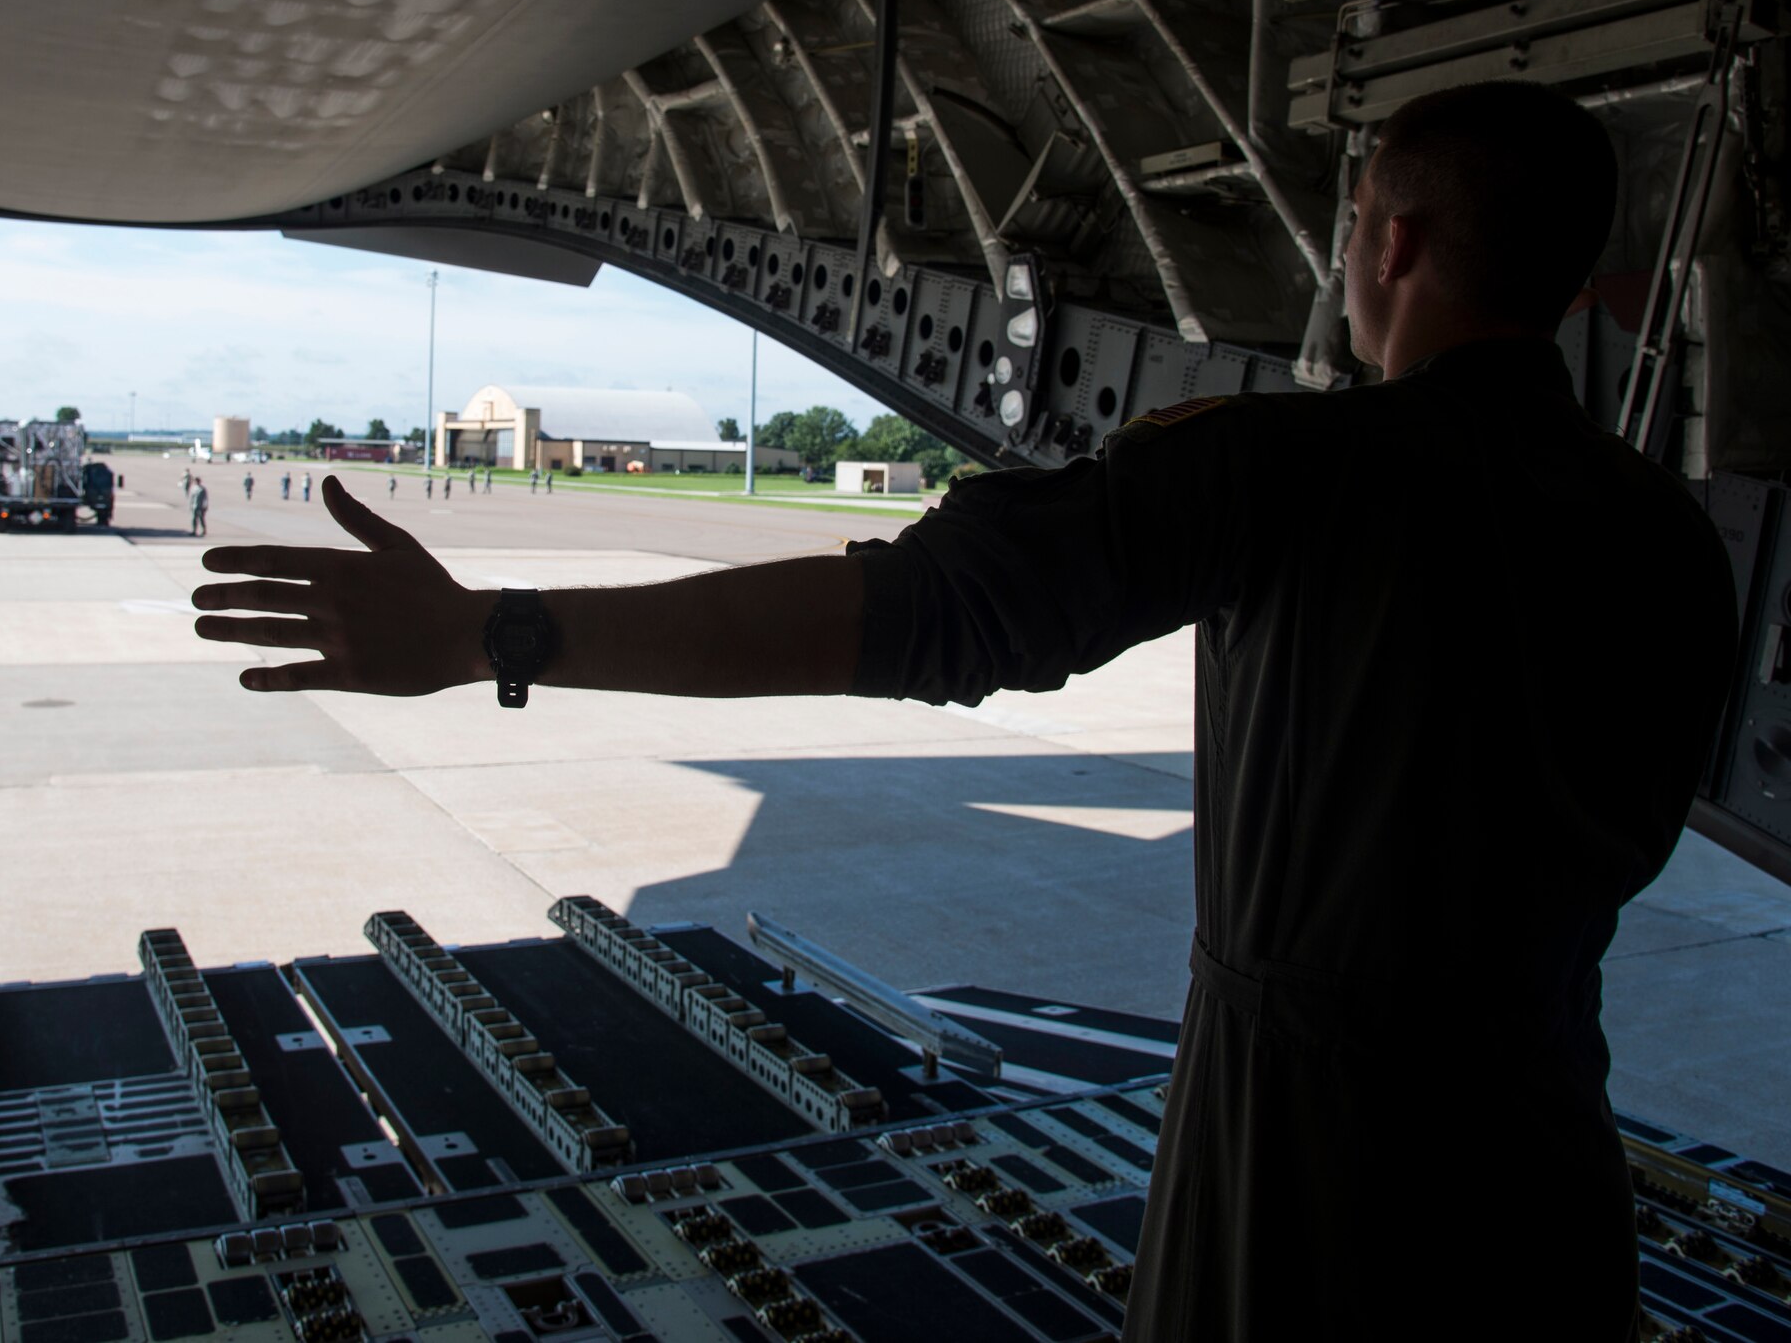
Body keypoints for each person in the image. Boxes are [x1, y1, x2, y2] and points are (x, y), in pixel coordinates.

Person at [193, 81, 1737, 1341]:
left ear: (1390, 243)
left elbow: (929, 610)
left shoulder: (1296, 468)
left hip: (1310, 1186)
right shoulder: (1671, 534)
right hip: (1544, 1170)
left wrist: (489, 631)